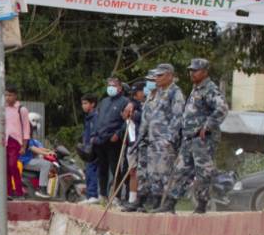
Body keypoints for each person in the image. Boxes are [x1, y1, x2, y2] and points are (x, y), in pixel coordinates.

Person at [168, 58, 228, 214]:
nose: (191, 73)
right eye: (190, 70)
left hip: (203, 140)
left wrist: (208, 126)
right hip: (188, 138)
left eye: (195, 70)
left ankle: (201, 205)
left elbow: (222, 108)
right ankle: (170, 203)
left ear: (205, 72)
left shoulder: (209, 88)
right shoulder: (196, 89)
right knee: (180, 170)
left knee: (203, 173)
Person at [138, 65, 183, 213]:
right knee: (153, 174)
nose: (156, 78)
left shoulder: (175, 92)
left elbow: (178, 117)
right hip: (153, 140)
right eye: (156, 75)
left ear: (170, 75)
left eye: (160, 75)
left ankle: (167, 205)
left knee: (165, 173)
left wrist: (170, 139)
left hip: (164, 141)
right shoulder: (158, 93)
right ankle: (157, 203)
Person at [92, 76, 130, 203]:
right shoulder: (104, 101)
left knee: (115, 169)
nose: (110, 88)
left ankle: (117, 196)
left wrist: (118, 134)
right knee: (102, 169)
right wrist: (94, 135)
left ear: (119, 87)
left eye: (113, 85)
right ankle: (102, 194)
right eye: (109, 85)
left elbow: (127, 121)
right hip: (100, 140)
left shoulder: (125, 102)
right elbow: (97, 119)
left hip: (113, 140)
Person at [3, 88, 32, 198]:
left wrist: (24, 146)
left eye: (10, 95)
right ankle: (9, 193)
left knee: (12, 165)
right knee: (5, 167)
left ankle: (19, 192)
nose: (7, 98)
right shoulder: (3, 109)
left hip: (16, 142)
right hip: (4, 141)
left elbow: (26, 128)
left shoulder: (22, 109)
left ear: (15, 96)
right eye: (6, 95)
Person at [79, 96, 100, 202]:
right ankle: (89, 195)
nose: (83, 106)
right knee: (88, 171)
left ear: (93, 104)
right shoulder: (88, 117)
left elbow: (95, 132)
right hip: (87, 149)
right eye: (82, 103)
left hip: (93, 149)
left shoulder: (95, 117)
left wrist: (91, 143)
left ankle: (93, 195)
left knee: (92, 171)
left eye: (86, 103)